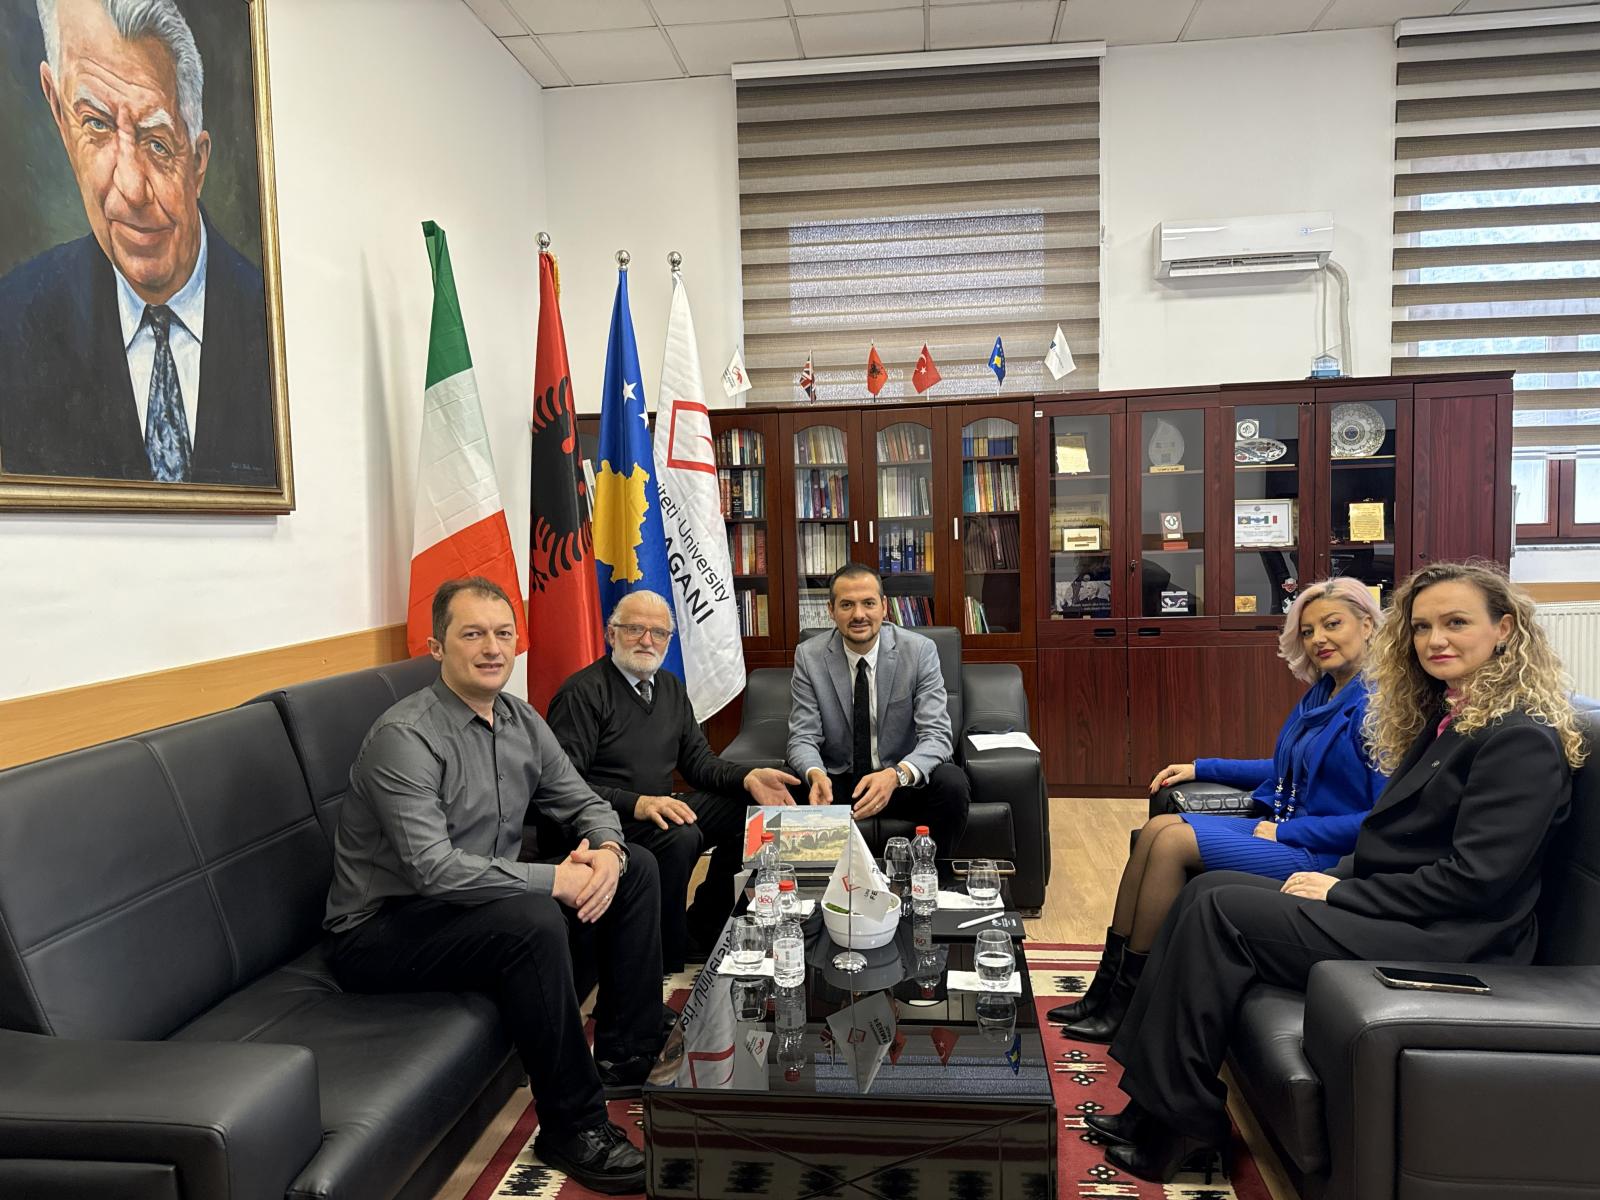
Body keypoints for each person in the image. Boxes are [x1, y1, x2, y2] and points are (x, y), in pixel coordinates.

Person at [1090, 561, 1585, 1183]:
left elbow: (1475, 880)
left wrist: (1345, 889)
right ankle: (1154, 1107)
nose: (1435, 640)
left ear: (1504, 628)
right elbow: (1388, 837)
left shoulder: (1520, 736)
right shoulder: (1451, 715)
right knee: (1206, 893)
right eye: (1422, 626)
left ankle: (1178, 1120)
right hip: (1407, 912)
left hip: (1455, 937)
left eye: (1456, 623)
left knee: (1218, 909)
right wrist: (1348, 876)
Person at [323, 577, 664, 1196]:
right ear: (436, 647)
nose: (492, 648)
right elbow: (432, 869)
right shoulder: (406, 737)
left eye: (504, 634)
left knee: (636, 865)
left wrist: (608, 852)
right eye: (473, 634)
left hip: (475, 903)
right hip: (383, 928)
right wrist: (555, 880)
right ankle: (572, 1126)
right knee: (533, 919)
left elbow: (583, 801)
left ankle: (628, 1053)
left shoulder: (520, 718)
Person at [1051, 577, 1387, 1041]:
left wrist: (1289, 834)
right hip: (1282, 829)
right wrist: (1201, 766)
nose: (1318, 640)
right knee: (1157, 831)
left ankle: (1129, 1005)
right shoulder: (1324, 691)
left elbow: (1381, 819)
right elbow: (1288, 766)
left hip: (1320, 854)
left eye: (1332, 625)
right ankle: (1105, 991)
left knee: (1171, 842)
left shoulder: (1380, 706)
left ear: (1367, 624)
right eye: (1308, 631)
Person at [0, 0, 275, 486]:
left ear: (199, 162)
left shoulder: (270, 320)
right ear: (58, 112)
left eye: (157, 142)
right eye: (96, 124)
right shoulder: (12, 325)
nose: (130, 188)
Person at [545, 589, 800, 973]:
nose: (647, 640)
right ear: (611, 634)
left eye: (659, 632)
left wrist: (748, 777)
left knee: (750, 810)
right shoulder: (582, 693)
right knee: (680, 835)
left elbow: (699, 763)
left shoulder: (669, 687)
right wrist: (639, 803)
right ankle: (663, 955)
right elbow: (565, 785)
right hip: (605, 820)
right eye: (635, 629)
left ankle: (704, 926)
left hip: (660, 809)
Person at [787, 563, 970, 855]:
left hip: (900, 779)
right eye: (847, 605)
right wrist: (815, 774)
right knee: (783, 782)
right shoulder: (809, 657)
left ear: (884, 607)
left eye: (868, 603)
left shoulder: (919, 651)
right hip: (838, 780)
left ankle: (930, 875)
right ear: (831, 610)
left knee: (952, 782)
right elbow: (803, 736)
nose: (859, 614)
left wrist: (896, 775)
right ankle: (808, 882)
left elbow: (937, 736)